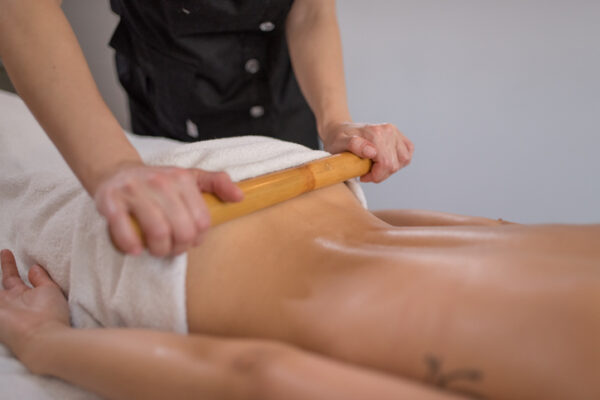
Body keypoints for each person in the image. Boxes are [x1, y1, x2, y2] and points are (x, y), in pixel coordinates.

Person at [1, 181, 599, 399]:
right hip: (180, 256)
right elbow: (260, 376)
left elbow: (475, 232)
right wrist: (42, 343)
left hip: (280, 174)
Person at [0, 0, 414, 257]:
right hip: (174, 94)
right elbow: (20, 7)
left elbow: (311, 11)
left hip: (280, 92)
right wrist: (113, 167)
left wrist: (336, 121)